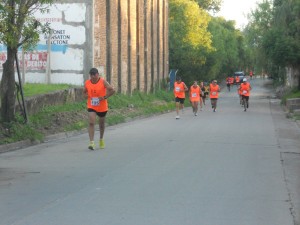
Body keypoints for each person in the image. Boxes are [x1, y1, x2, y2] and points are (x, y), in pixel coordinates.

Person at [84, 67, 115, 150]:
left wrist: (104, 97)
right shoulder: (87, 83)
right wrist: (85, 95)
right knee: (91, 122)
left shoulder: (103, 82)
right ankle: (92, 143)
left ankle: (101, 139)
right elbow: (84, 92)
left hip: (102, 106)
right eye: (92, 76)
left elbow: (112, 90)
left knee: (101, 124)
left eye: (95, 75)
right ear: (90, 76)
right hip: (92, 105)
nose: (93, 77)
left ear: (98, 75)